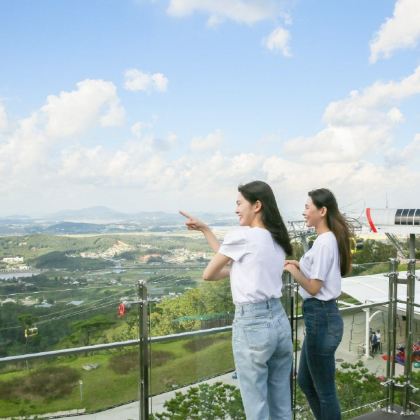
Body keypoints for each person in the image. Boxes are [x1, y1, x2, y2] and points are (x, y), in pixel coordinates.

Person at [180, 180, 293, 420]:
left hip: (252, 324)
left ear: (257, 205)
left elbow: (209, 274)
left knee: (257, 405)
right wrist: (206, 230)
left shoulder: (242, 236)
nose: (236, 209)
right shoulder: (277, 239)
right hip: (279, 322)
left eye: (239, 203)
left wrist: (207, 233)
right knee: (281, 402)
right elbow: (238, 262)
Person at [284, 188, 352, 420]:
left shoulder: (324, 242)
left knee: (325, 391)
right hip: (319, 317)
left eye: (307, 207)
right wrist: (300, 265)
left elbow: (314, 287)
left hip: (321, 316)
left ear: (321, 211)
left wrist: (294, 272)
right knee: (305, 381)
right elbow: (320, 276)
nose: (304, 212)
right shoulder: (325, 240)